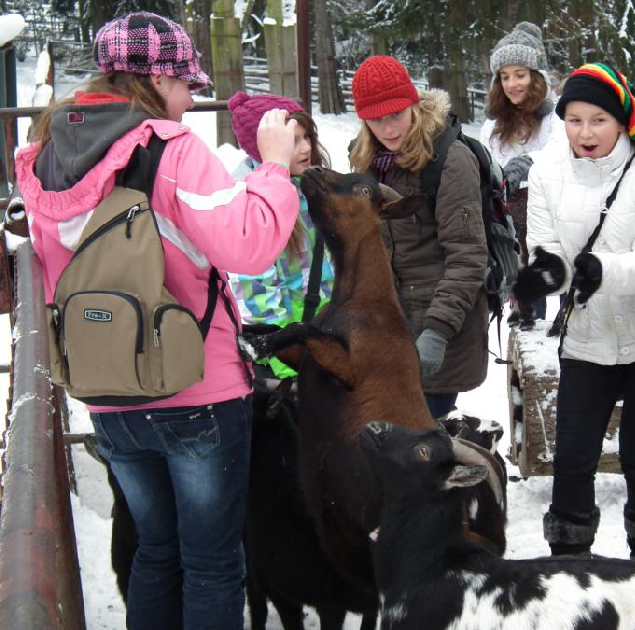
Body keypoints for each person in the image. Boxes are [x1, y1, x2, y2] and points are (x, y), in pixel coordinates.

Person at [14, 12, 299, 630]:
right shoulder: (173, 149)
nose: (191, 98)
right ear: (156, 79)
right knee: (212, 563)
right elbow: (248, 244)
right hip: (196, 390)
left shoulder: (46, 154)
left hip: (107, 393)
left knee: (156, 550)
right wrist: (274, 167)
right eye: (185, 83)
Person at [514, 62, 635, 569]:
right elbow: (545, 247)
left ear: (622, 120)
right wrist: (543, 275)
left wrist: (597, 269)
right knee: (572, 457)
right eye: (574, 120)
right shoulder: (546, 171)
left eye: (598, 120)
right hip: (585, 338)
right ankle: (569, 563)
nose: (585, 132)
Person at [348, 55, 489, 420]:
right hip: (387, 331)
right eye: (375, 120)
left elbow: (468, 255)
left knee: (419, 438)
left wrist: (437, 332)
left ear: (412, 103)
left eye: (396, 114)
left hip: (438, 330)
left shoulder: (450, 160)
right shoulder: (365, 160)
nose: (388, 129)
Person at [226, 91, 335, 382]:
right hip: (292, 353)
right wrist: (289, 365)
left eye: (307, 136)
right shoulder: (250, 203)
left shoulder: (314, 186)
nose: (306, 147)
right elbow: (256, 297)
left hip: (326, 335)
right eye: (294, 141)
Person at [480, 21, 563, 326]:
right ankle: (524, 316)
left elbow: (561, 152)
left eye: (519, 74)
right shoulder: (493, 126)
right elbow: (489, 165)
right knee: (525, 296)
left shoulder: (554, 118)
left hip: (553, 216)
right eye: (505, 77)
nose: (512, 84)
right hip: (513, 222)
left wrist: (527, 163)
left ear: (535, 76)